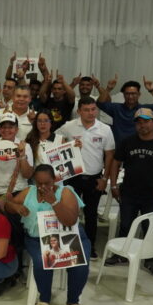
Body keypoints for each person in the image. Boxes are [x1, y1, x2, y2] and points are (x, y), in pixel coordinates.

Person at [5, 164, 91, 305]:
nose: (43, 187)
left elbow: (70, 220)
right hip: (37, 238)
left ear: (55, 179)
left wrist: (54, 202)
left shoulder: (66, 192)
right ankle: (44, 298)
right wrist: (16, 207)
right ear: (34, 181)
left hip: (68, 236)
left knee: (80, 263)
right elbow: (7, 205)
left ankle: (73, 301)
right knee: (41, 261)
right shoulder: (29, 191)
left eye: (47, 183)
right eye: (39, 183)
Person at [107, 108, 153, 275]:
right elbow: (115, 163)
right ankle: (121, 255)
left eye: (146, 121)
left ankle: (151, 259)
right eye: (139, 122)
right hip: (129, 192)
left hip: (152, 195)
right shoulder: (127, 142)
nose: (142, 125)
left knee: (150, 228)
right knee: (125, 224)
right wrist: (114, 186)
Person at [56, 97, 115, 258]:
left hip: (94, 178)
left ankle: (89, 247)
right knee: (70, 212)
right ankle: (68, 246)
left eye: (93, 109)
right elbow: (54, 141)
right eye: (87, 110)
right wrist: (66, 145)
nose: (91, 113)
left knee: (91, 214)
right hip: (72, 177)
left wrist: (105, 179)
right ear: (79, 111)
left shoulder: (105, 129)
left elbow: (110, 155)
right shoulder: (69, 126)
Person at [97, 77, 153, 143]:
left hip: (137, 147)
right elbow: (100, 103)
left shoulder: (144, 110)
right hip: (118, 147)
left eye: (133, 94)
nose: (130, 96)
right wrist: (108, 89)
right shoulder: (116, 108)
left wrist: (152, 90)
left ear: (139, 94)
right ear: (123, 95)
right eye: (127, 94)